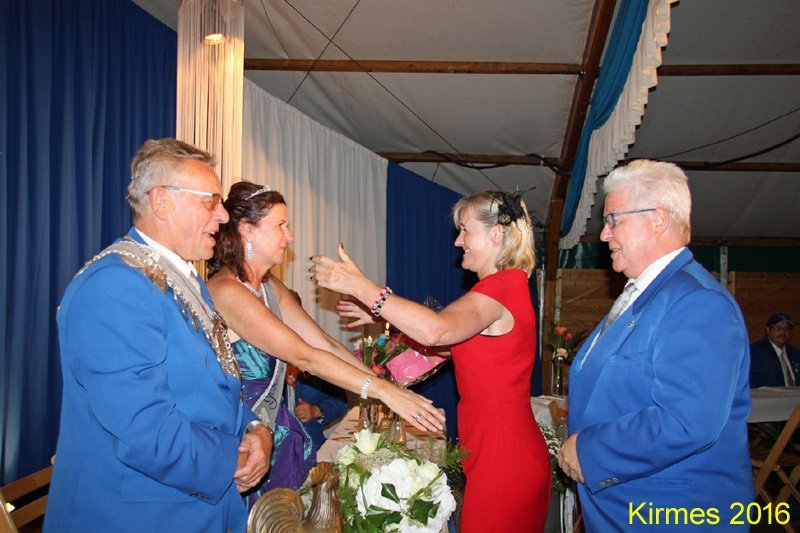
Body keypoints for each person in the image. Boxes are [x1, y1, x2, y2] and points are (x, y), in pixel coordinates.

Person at [45, 139, 271, 532]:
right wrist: (233, 460)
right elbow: (146, 430)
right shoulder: (113, 286)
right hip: (140, 516)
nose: (222, 215)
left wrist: (254, 429)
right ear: (162, 201)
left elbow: (209, 389)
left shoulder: (182, 279)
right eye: (210, 201)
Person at [310, 190, 551, 532]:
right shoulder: (504, 288)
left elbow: (436, 331)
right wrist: (382, 318)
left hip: (505, 456)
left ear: (497, 234)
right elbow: (445, 344)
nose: (458, 242)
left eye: (465, 230)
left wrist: (361, 286)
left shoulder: (499, 288)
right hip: (498, 449)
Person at [206, 181, 444, 505]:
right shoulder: (227, 291)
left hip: (275, 432)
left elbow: (324, 344)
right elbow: (305, 357)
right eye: (280, 225)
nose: (289, 236)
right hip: (242, 439)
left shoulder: (269, 287)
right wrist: (384, 393)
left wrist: (390, 390)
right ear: (247, 229)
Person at [557, 159, 753, 530]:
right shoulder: (647, 294)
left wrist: (589, 450)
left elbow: (685, 421)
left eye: (613, 219)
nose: (604, 234)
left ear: (658, 219)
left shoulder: (697, 303)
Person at [284, 364, 348, 450]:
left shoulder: (316, 365)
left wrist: (316, 410)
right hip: (274, 451)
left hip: (312, 446)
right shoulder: (267, 368)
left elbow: (340, 400)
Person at [750, 313, 800, 388]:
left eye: (786, 328)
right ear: (768, 330)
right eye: (778, 328)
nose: (783, 332)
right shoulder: (755, 352)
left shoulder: (795, 353)